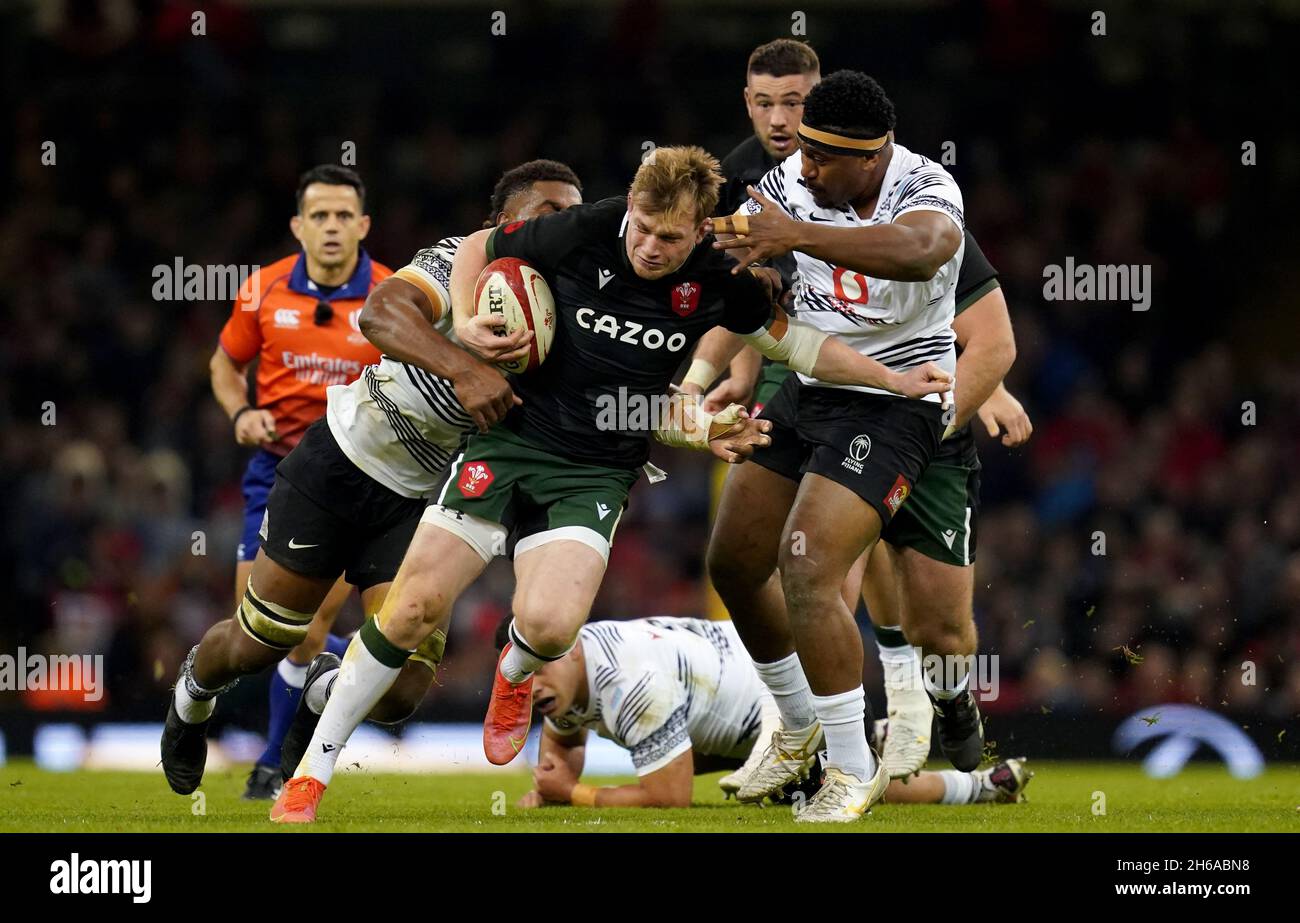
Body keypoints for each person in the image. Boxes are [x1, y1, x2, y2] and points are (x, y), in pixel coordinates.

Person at [268, 145, 953, 824]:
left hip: (595, 470)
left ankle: (513, 672)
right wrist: (473, 316)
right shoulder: (583, 228)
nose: (651, 247)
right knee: (410, 609)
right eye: (644, 228)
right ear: (630, 206)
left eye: (671, 238)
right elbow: (481, 242)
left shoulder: (720, 281)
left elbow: (798, 345)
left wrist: (894, 380)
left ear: (699, 231)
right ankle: (311, 774)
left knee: (548, 625)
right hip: (509, 440)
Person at [161, 160, 582, 799]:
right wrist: (462, 370)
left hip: (426, 503)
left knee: (404, 687)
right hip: (342, 463)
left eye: (573, 214)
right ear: (503, 223)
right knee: (261, 643)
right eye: (547, 212)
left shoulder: (578, 307)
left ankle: (324, 693)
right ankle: (191, 700)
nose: (565, 226)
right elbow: (381, 317)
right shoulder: (458, 262)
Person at [700, 70, 973, 821]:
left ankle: (852, 769)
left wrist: (799, 234)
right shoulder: (794, 181)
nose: (805, 167)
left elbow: (921, 251)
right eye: (805, 154)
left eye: (824, 158)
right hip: (813, 384)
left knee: (808, 562)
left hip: (895, 401)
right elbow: (741, 257)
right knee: (733, 560)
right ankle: (796, 725)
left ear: (873, 156)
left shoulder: (926, 186)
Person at [206, 165, 388, 798]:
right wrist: (240, 411)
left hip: (352, 479)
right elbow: (225, 364)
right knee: (257, 634)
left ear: (364, 226)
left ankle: (274, 761)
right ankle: (337, 664)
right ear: (298, 226)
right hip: (274, 472)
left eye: (344, 216)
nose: (332, 227)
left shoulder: (394, 296)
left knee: (303, 629)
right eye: (320, 216)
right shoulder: (264, 290)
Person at [510, 616, 1032, 810]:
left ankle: (984, 786)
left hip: (777, 706)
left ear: (570, 648)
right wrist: (556, 780)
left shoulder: (629, 683)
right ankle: (870, 733)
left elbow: (670, 798)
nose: (530, 691)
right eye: (520, 679)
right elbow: (564, 741)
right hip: (743, 690)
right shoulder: (570, 664)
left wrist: (571, 794)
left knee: (829, 788)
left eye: (535, 675)